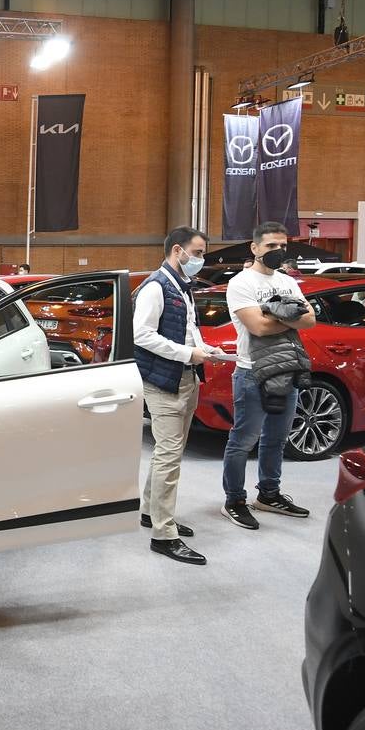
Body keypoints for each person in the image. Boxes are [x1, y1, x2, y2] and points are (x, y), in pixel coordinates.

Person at [133, 226, 220, 566]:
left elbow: (188, 327)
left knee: (169, 453)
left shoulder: (181, 286)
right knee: (169, 457)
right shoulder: (156, 286)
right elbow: (141, 335)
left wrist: (201, 348)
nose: (200, 259)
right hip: (163, 382)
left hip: (186, 378)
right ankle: (164, 535)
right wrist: (187, 354)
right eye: (197, 253)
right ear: (177, 251)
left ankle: (149, 511)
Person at [221, 222, 316, 528]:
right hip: (252, 373)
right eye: (271, 246)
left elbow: (310, 320)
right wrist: (289, 318)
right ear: (255, 248)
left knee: (276, 439)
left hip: (287, 371)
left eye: (282, 246)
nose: (278, 251)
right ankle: (234, 499)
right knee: (243, 440)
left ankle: (269, 494)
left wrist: (273, 314)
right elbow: (258, 327)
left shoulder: (288, 282)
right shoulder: (241, 283)